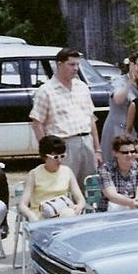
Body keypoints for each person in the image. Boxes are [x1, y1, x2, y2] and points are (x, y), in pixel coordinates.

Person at [30, 48, 101, 188]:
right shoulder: (46, 91)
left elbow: (91, 119)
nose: (76, 68)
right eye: (71, 64)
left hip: (86, 142)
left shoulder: (83, 87)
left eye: (77, 64)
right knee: (64, 185)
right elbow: (37, 123)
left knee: (90, 186)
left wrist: (97, 149)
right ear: (59, 64)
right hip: (63, 145)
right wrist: (47, 152)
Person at [18, 136, 86, 222]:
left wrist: (79, 206)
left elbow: (81, 199)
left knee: (69, 214)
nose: (59, 160)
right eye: (55, 157)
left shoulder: (67, 171)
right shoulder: (34, 174)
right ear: (45, 157)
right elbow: (22, 205)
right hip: (41, 215)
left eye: (62, 156)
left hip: (63, 212)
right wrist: (31, 215)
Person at [99, 51, 138, 159]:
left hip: (134, 130)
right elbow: (118, 99)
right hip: (116, 127)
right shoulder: (118, 80)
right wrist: (131, 81)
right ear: (131, 65)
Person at [98, 135, 138, 212]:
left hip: (135, 206)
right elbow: (111, 195)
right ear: (115, 153)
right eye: (125, 152)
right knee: (115, 207)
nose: (130, 155)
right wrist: (130, 203)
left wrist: (137, 202)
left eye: (132, 152)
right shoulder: (106, 169)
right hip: (112, 208)